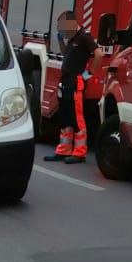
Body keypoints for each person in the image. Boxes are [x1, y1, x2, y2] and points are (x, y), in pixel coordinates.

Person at [46, 10, 98, 164]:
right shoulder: (72, 38)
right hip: (66, 80)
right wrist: (61, 41)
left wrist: (89, 74)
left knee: (77, 118)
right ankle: (63, 150)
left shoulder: (84, 37)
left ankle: (79, 152)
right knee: (65, 116)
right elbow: (65, 55)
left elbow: (98, 54)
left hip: (76, 81)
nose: (61, 29)